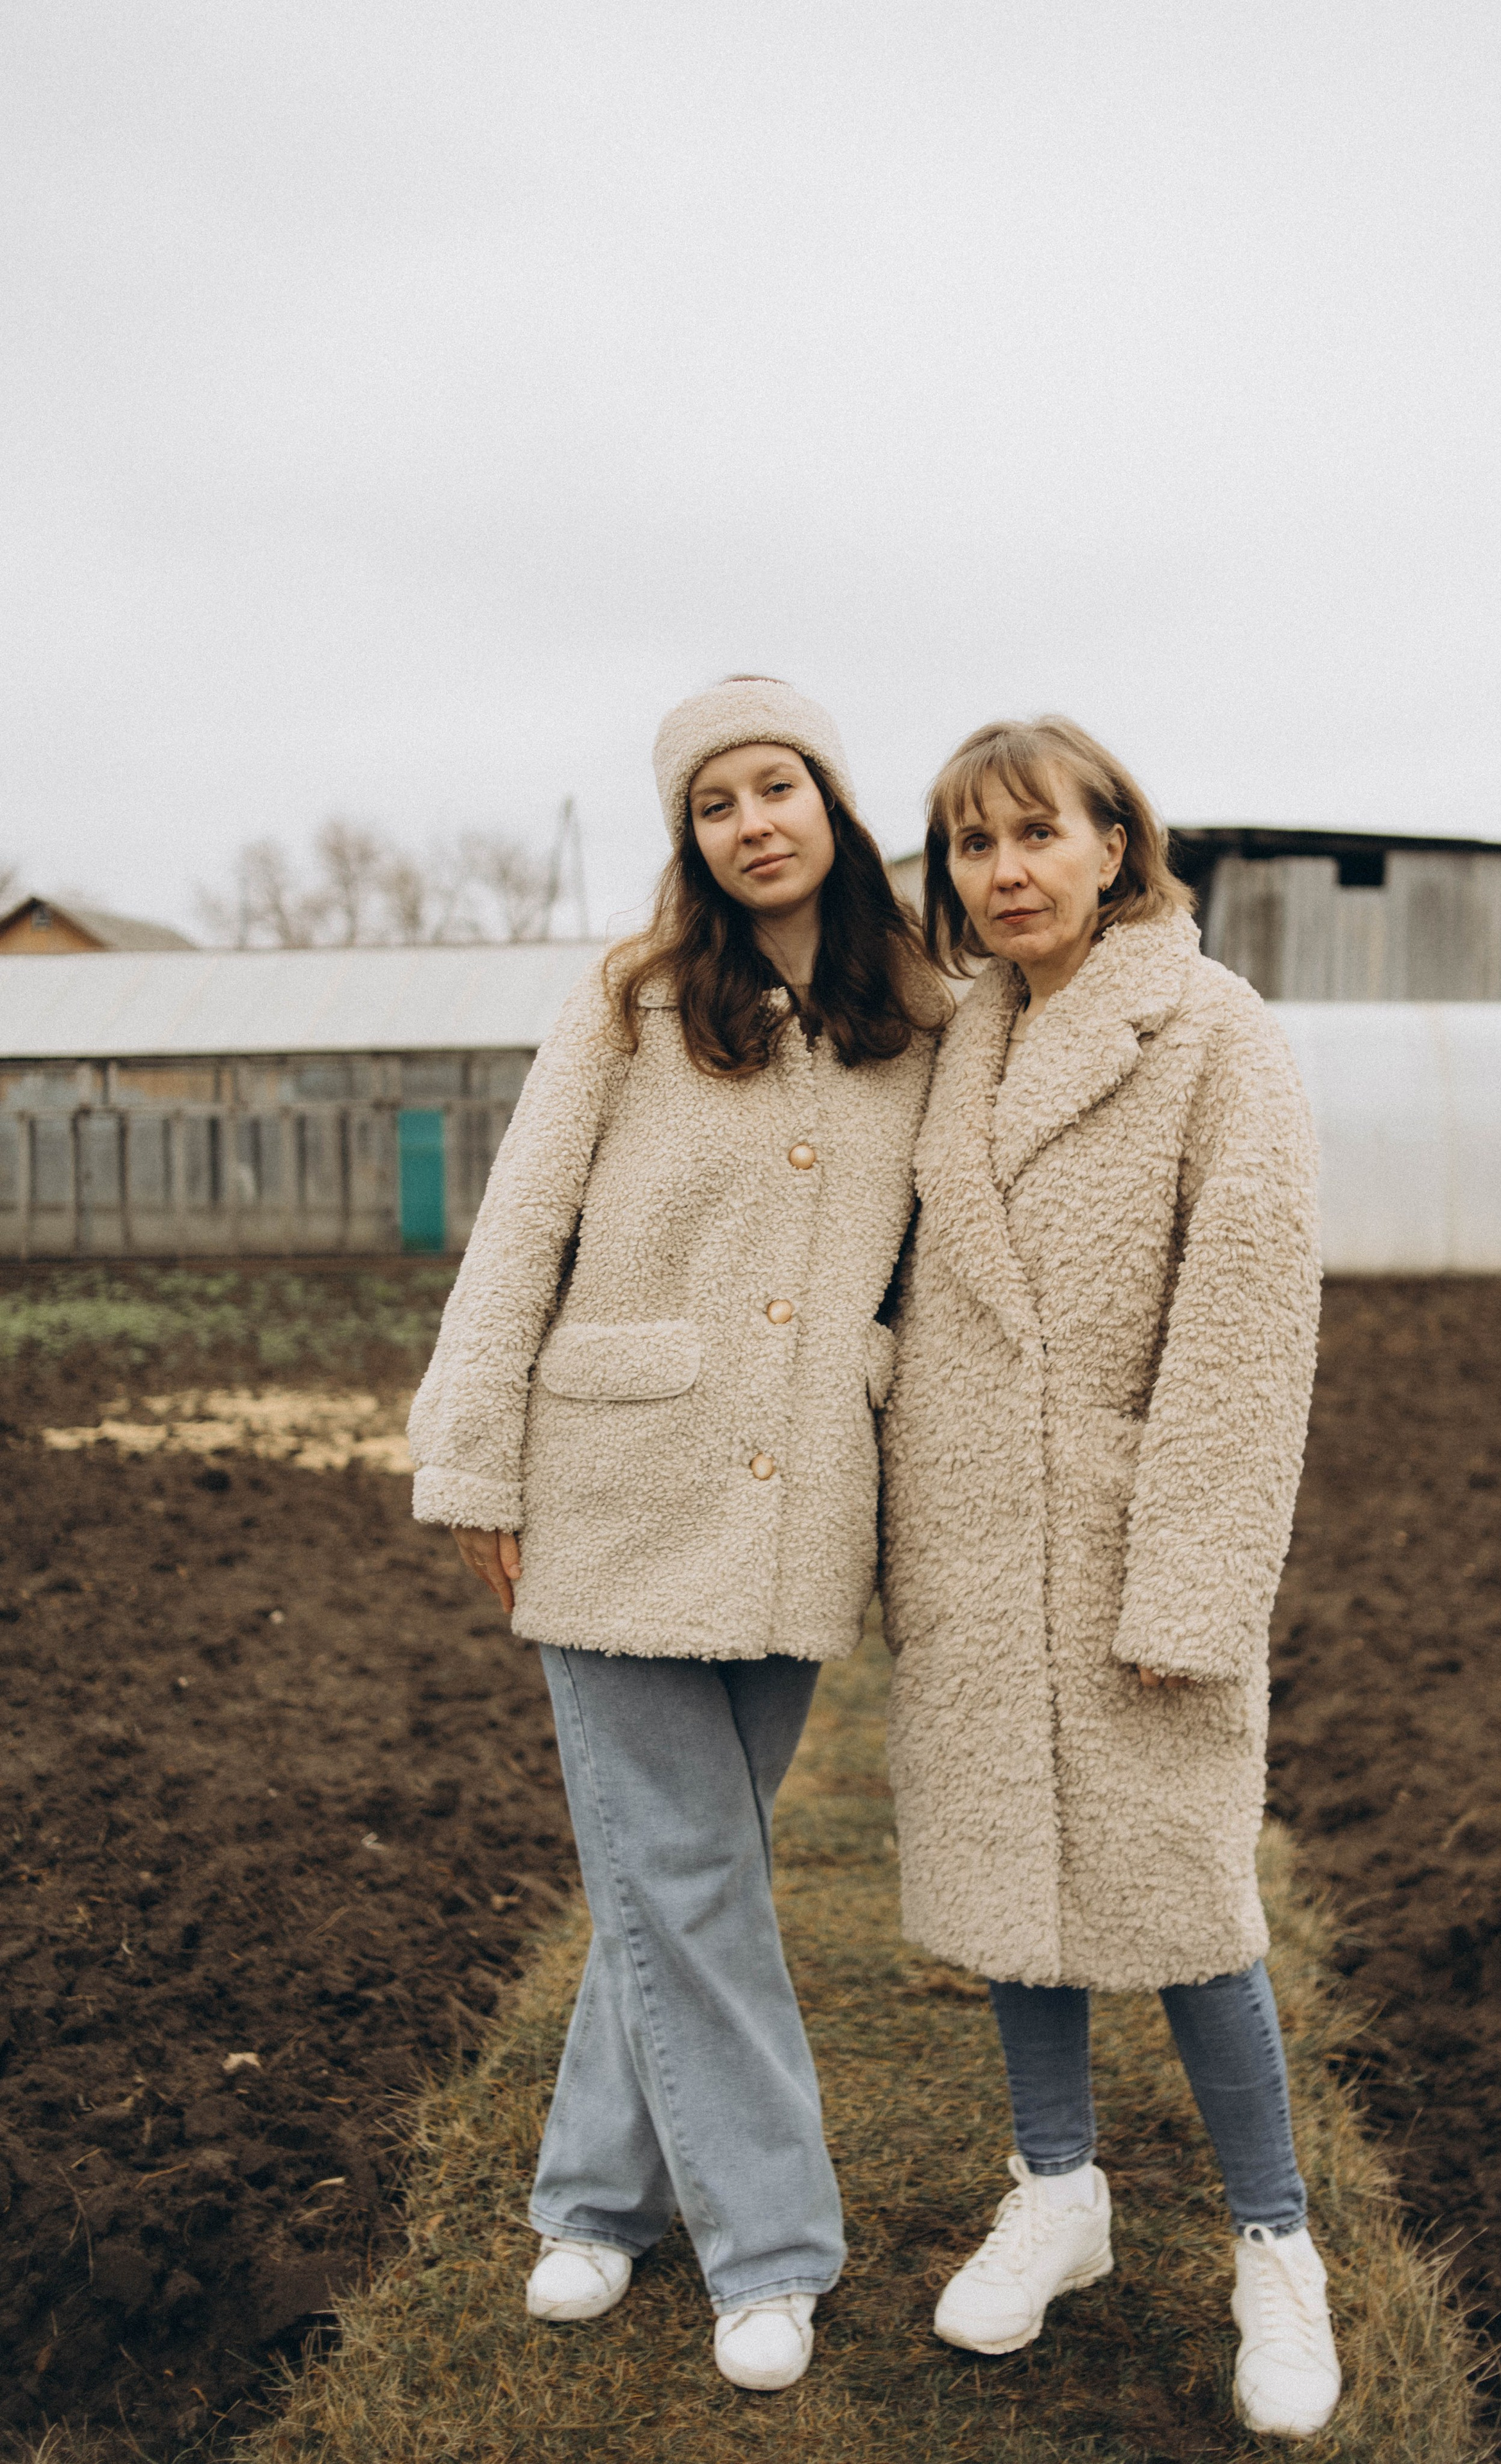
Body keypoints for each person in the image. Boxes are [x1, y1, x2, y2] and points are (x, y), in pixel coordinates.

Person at [407, 678, 944, 2393]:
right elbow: (521, 1226)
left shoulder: (924, 1013)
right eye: (714, 805)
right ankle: (771, 2251)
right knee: (693, 1875)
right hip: (619, 1488)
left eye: (775, 786)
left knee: (680, 1873)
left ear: (834, 803)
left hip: (799, 1511)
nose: (750, 823)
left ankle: (587, 2200)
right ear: (690, 843)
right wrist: (474, 1456)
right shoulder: (632, 1000)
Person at [877, 716, 1341, 2440]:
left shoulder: (1215, 1033)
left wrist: (1194, 1591)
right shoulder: (956, 1041)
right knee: (1015, 1882)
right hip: (975, 1536)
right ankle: (1058, 2191)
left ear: (1110, 845)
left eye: (1032, 837)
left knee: (1192, 1909)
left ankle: (1275, 2249)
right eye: (971, 848)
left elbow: (1247, 1336)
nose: (1003, 873)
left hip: (1134, 1539)